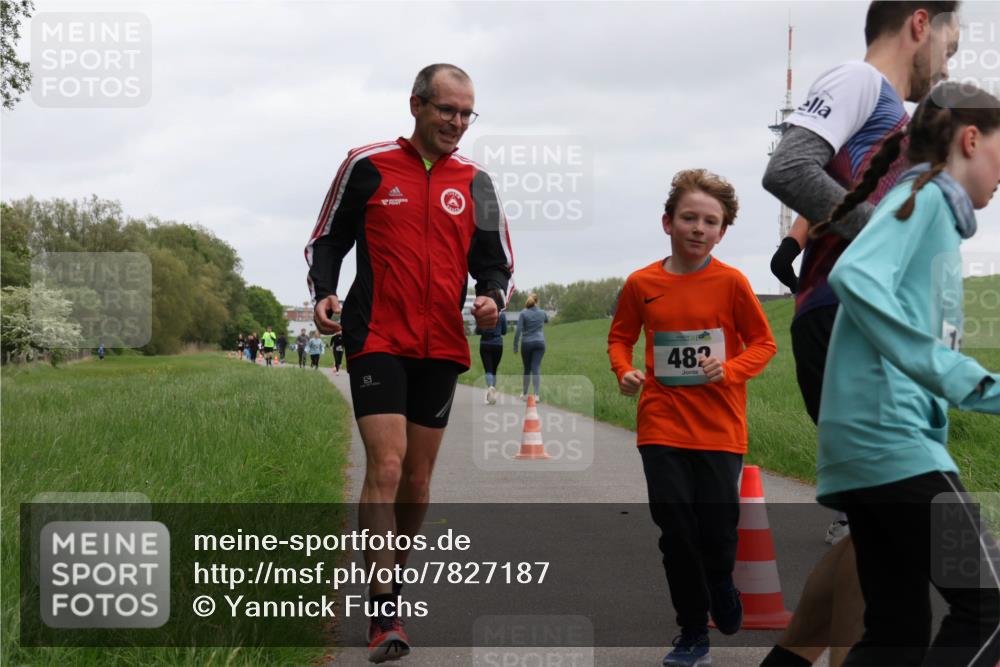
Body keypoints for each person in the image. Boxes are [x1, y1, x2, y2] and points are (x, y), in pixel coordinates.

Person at [760, 3, 960, 666]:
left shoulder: (899, 120)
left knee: (890, 592)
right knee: (971, 590)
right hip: (851, 332)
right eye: (951, 42)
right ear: (921, 23)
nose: (951, 60)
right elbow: (789, 168)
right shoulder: (859, 80)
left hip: (871, 337)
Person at [304, 63, 512, 663]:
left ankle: (390, 564)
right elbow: (328, 238)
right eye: (447, 110)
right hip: (376, 333)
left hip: (442, 340)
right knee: (388, 466)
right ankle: (383, 605)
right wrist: (323, 289)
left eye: (467, 113)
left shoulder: (478, 183)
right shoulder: (366, 165)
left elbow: (494, 261)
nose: (457, 123)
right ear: (417, 105)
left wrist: (492, 298)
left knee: (418, 482)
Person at [816, 81, 1000, 666]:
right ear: (971, 140)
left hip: (872, 449)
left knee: (896, 631)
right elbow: (854, 277)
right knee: (989, 607)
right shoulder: (921, 200)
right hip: (892, 444)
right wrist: (959, 376)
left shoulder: (932, 213)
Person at [608, 169, 777, 667]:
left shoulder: (731, 282)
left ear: (722, 232)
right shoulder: (642, 283)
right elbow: (620, 337)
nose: (699, 228)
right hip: (661, 423)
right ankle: (690, 634)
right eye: (689, 218)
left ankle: (722, 580)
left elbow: (764, 344)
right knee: (676, 531)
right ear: (668, 222)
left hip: (720, 429)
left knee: (717, 533)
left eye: (710, 221)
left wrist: (727, 370)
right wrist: (624, 370)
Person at [513, 295, 547, 401]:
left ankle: (525, 394)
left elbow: (518, 330)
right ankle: (536, 395)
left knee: (527, 369)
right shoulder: (542, 312)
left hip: (526, 343)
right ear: (537, 302)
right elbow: (547, 320)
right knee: (536, 367)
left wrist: (515, 345)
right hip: (540, 342)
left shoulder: (523, 313)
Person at [475, 310, 507, 404]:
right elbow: (504, 331)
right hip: (498, 344)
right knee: (494, 370)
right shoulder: (502, 315)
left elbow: (478, 331)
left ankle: (490, 390)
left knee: (488, 369)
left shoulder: (483, 313)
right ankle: (491, 394)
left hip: (485, 344)